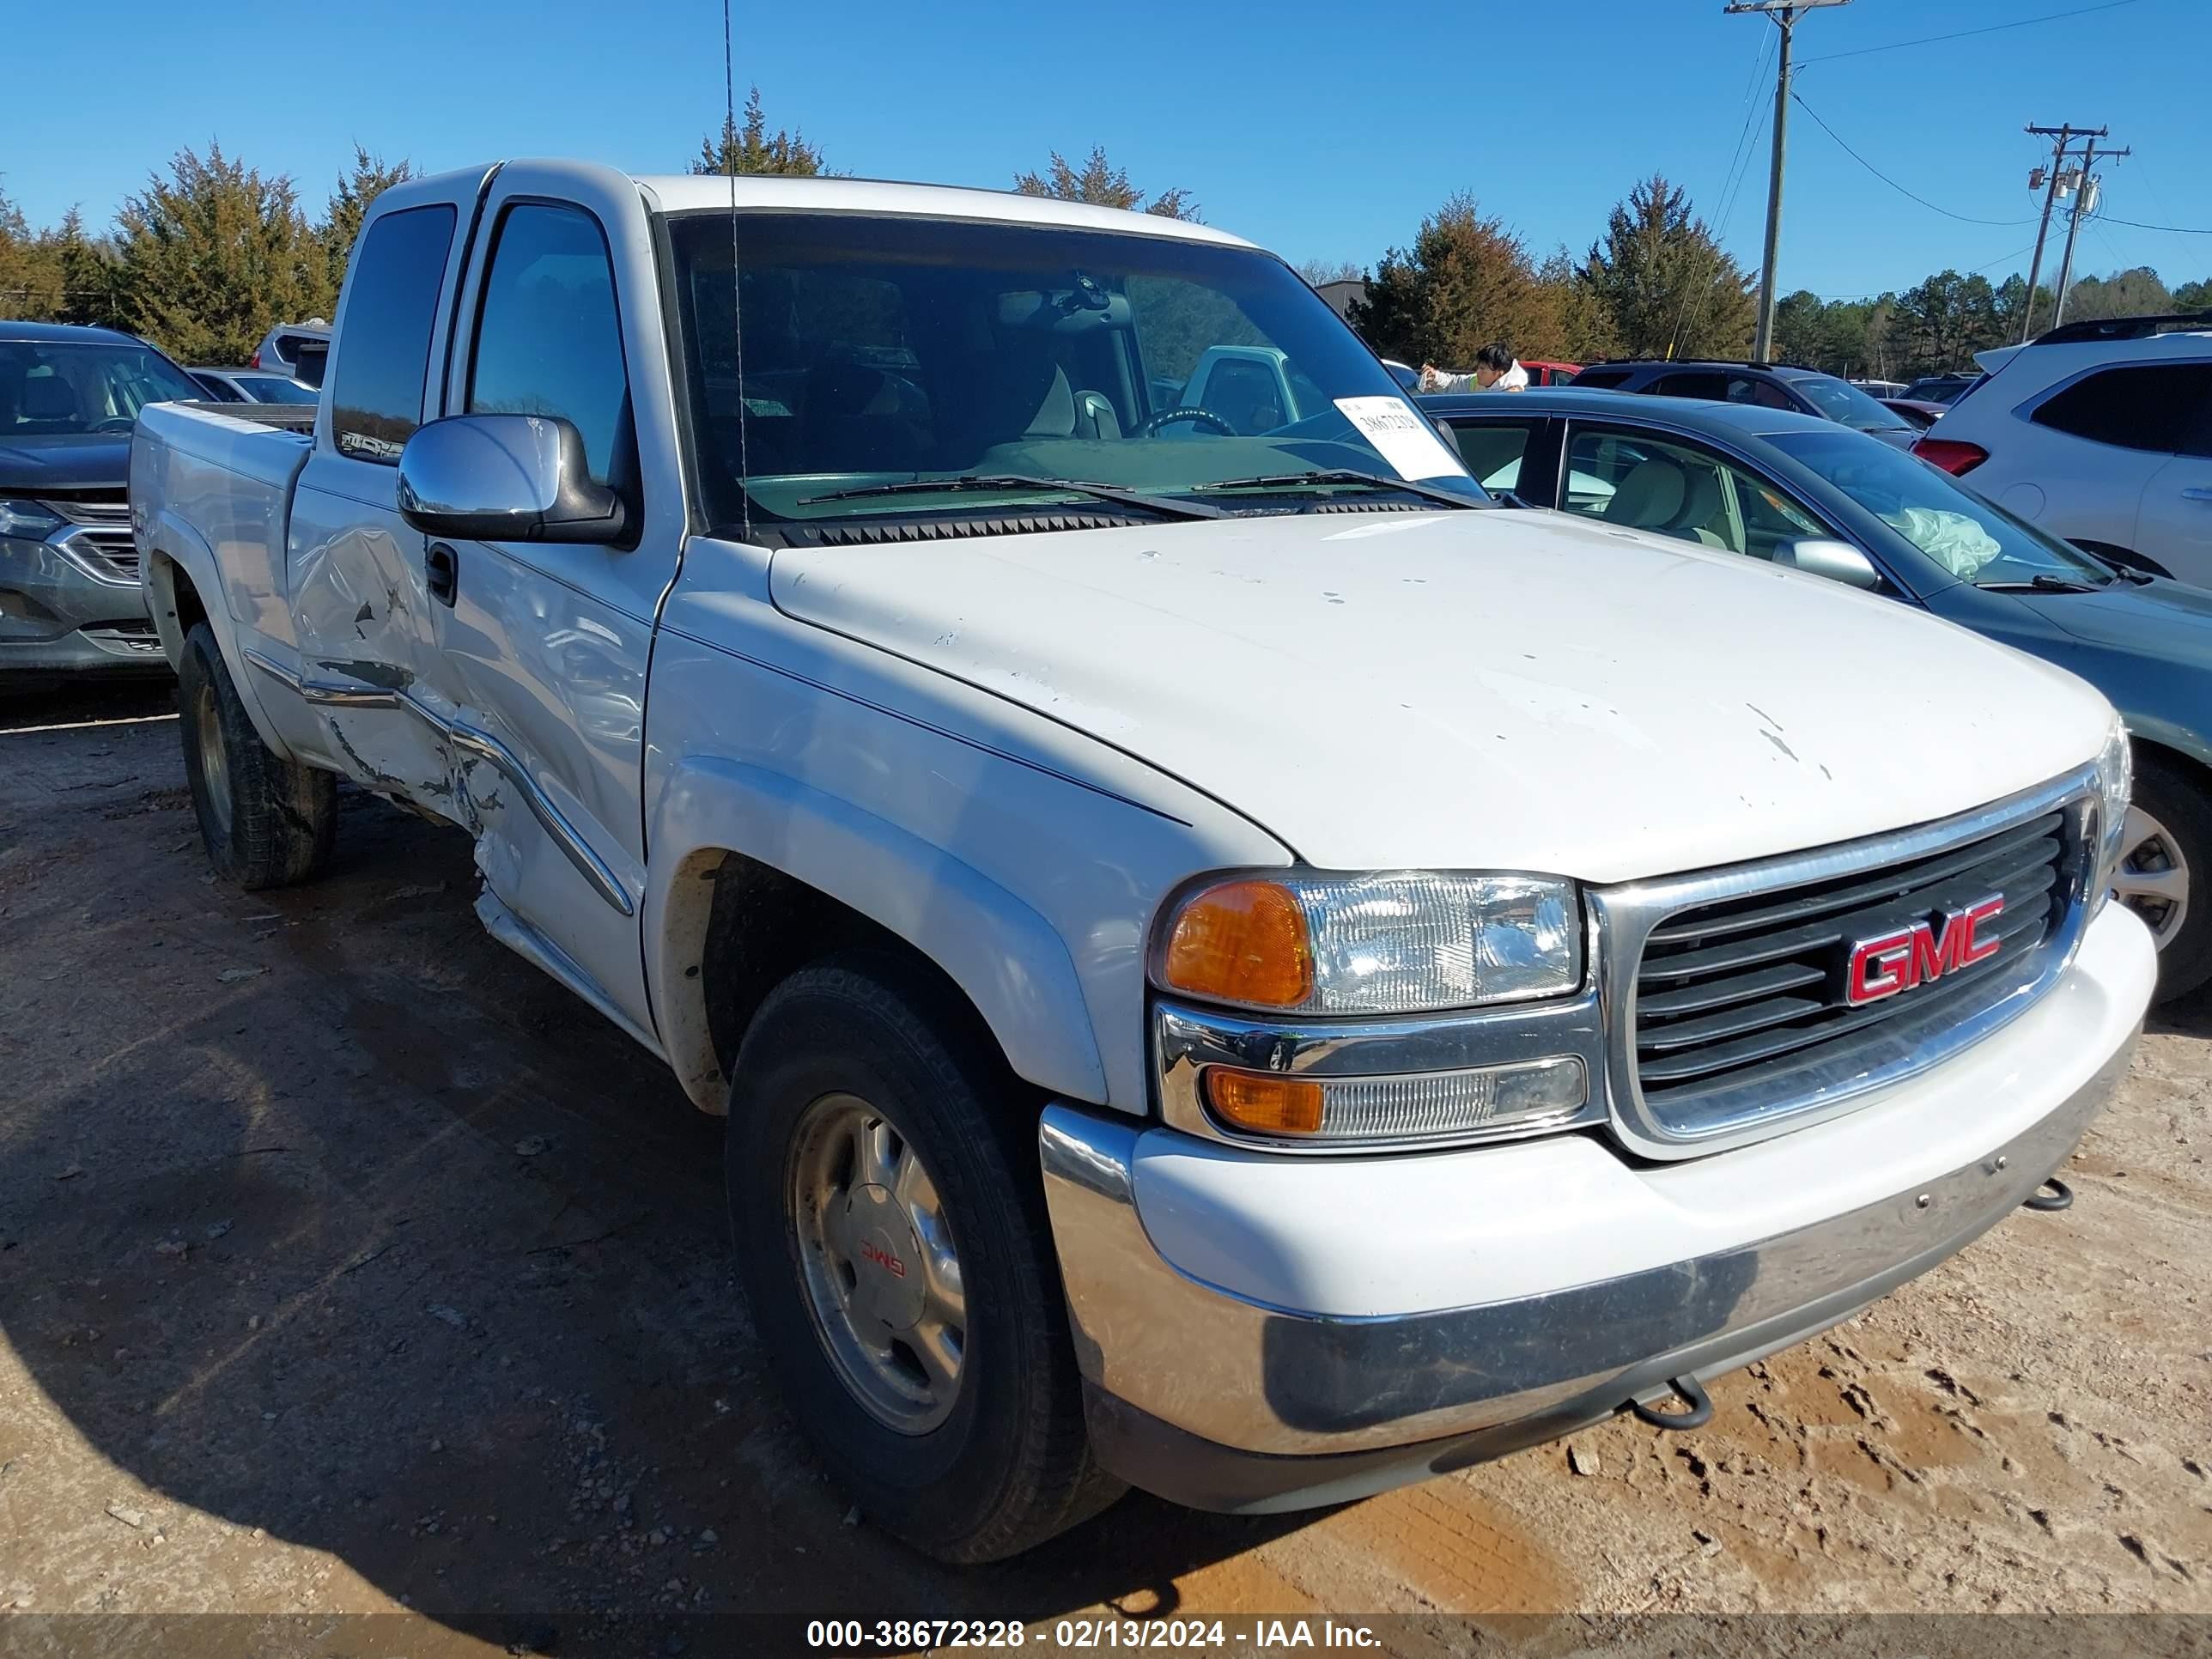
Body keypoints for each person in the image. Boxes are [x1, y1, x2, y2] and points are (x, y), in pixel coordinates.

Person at [1419, 342, 1528, 393]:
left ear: (1499, 373)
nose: (1477, 372)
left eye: (1482, 369)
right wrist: (1435, 376)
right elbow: (1453, 384)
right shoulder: (1478, 382)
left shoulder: (1511, 395)